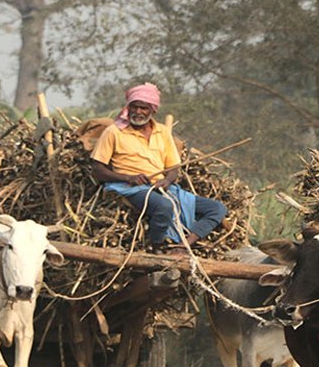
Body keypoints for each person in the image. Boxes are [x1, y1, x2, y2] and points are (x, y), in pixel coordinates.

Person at [91, 83, 227, 254]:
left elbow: (173, 168)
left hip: (160, 186)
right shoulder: (114, 132)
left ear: (152, 110)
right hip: (131, 188)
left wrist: (167, 180)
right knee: (163, 206)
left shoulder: (162, 132)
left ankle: (185, 244)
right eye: (134, 106)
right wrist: (128, 178)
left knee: (217, 209)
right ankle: (157, 248)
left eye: (143, 108)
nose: (138, 112)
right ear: (128, 107)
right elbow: (97, 170)